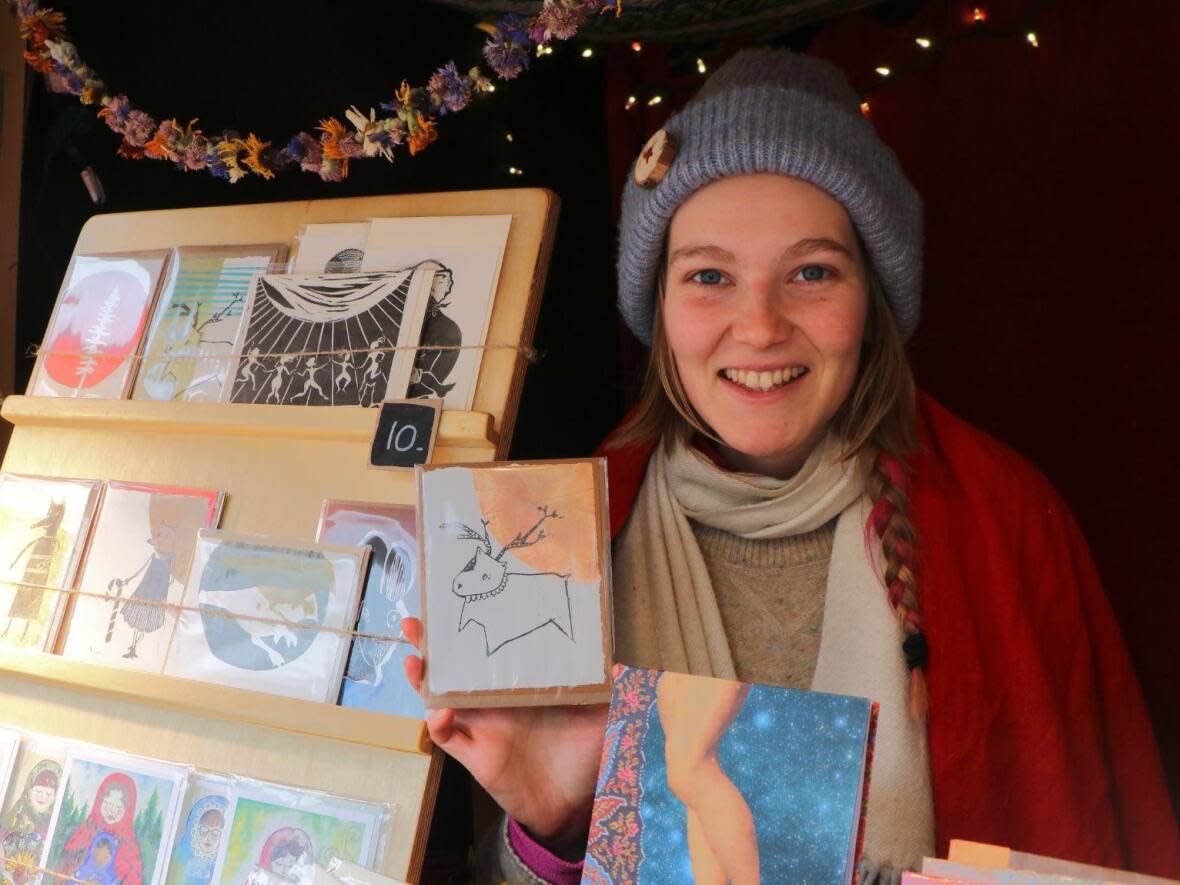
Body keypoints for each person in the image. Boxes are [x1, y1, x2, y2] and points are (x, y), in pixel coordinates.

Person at [403, 48, 1180, 883]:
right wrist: (559, 831)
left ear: (872, 305)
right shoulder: (560, 537)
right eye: (709, 276)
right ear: (659, 311)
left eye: (812, 271)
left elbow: (1093, 836)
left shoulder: (1010, 518)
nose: (761, 325)